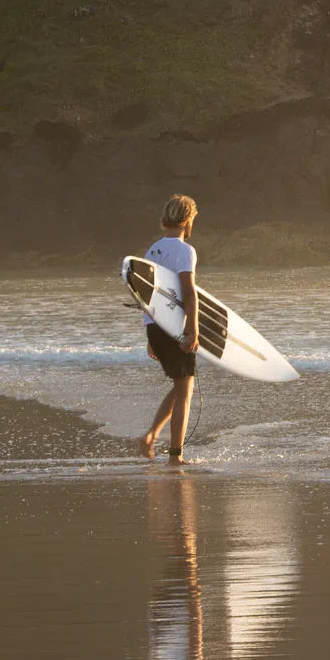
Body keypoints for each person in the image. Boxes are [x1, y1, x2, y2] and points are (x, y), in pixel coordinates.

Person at [140, 194, 202, 465]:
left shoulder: (152, 250)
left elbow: (146, 295)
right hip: (175, 328)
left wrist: (149, 335)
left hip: (155, 326)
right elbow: (189, 293)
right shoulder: (185, 250)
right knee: (185, 391)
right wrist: (193, 331)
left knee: (181, 385)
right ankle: (176, 456)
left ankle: (152, 435)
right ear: (188, 219)